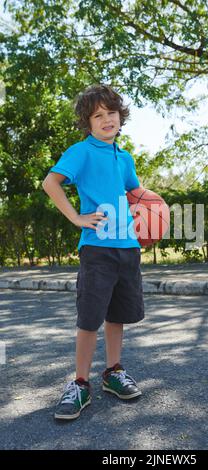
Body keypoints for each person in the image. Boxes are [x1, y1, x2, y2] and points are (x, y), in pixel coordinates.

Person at [42, 84, 145, 420]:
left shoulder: (124, 156)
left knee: (117, 316)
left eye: (110, 113)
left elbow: (136, 191)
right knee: (89, 319)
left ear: (120, 116)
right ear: (88, 123)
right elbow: (50, 182)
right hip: (97, 249)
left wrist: (159, 206)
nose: (106, 119)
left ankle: (113, 373)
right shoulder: (81, 151)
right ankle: (80, 383)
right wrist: (76, 217)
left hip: (127, 248)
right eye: (97, 115)